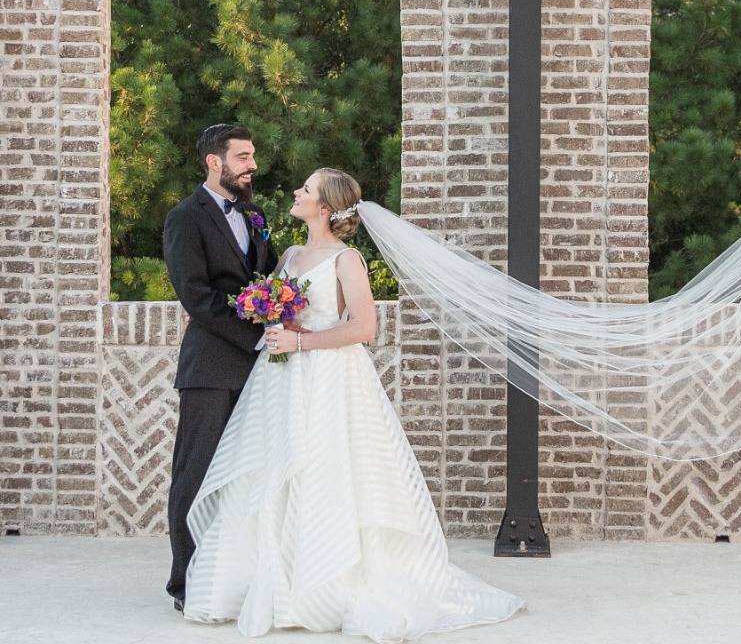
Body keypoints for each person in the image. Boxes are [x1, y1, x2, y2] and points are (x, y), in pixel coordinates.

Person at [183, 167, 524, 641]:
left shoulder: (347, 261)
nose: (297, 192)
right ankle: (272, 579)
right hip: (280, 382)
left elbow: (364, 328)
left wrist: (303, 344)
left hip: (329, 378)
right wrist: (279, 325)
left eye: (306, 189)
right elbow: (286, 312)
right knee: (274, 470)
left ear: (324, 208)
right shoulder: (290, 254)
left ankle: (326, 581)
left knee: (327, 470)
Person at [164, 123, 279, 614]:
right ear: (215, 161)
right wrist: (257, 336)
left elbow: (268, 276)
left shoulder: (254, 214)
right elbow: (197, 298)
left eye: (253, 155)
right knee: (195, 475)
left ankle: (234, 576)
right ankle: (185, 583)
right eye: (244, 156)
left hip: (262, 369)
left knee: (245, 476)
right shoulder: (185, 219)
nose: (252, 164)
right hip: (211, 367)